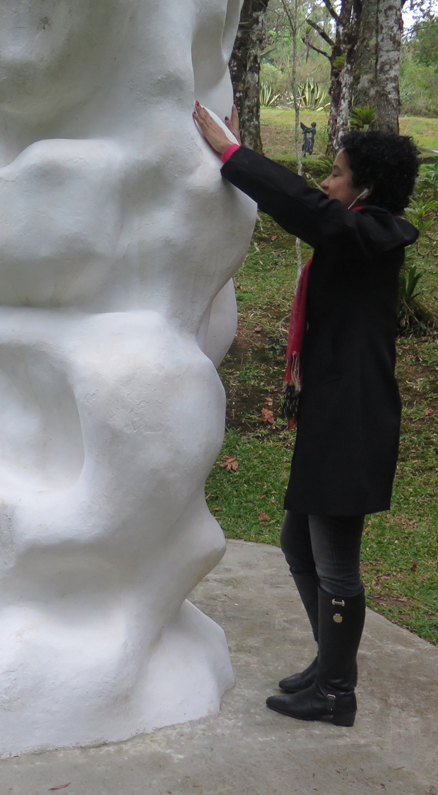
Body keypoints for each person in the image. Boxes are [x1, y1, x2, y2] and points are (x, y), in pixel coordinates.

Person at [194, 103, 420, 727]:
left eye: (339, 173)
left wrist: (232, 154)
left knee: (335, 560)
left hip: (353, 425)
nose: (327, 181)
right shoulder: (358, 235)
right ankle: (329, 665)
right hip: (336, 418)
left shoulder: (372, 235)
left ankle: (336, 692)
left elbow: (309, 211)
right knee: (298, 541)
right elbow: (318, 211)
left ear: (366, 190)